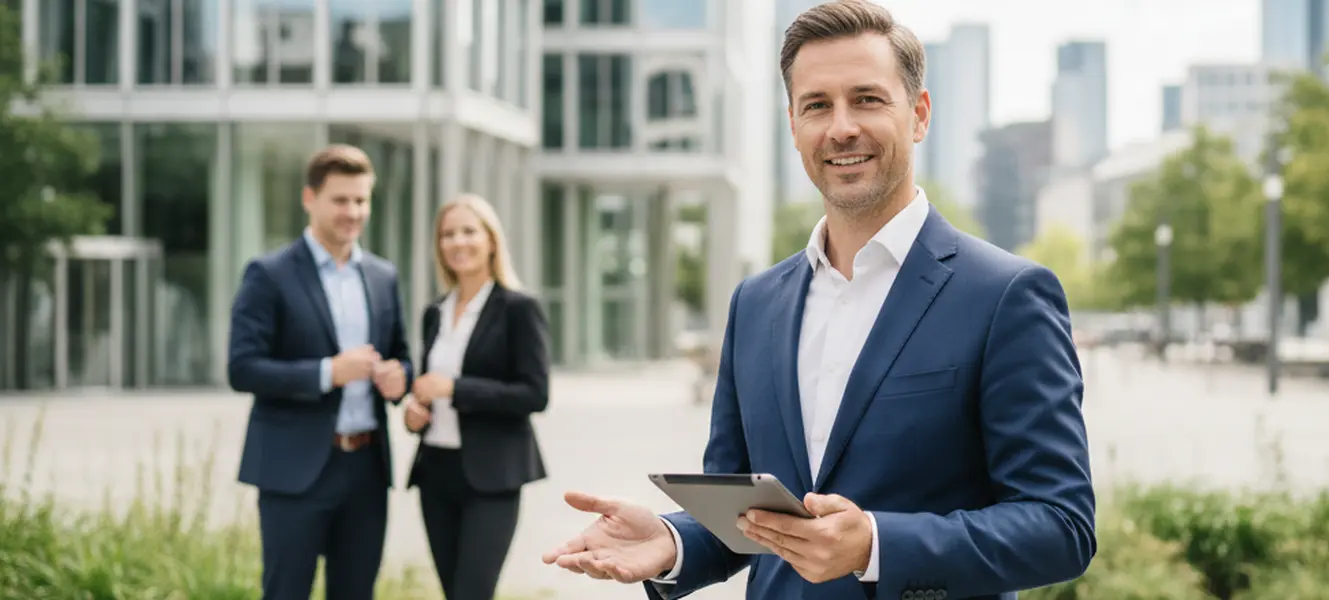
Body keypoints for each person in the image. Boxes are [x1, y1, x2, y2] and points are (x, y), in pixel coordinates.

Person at [540, 1, 1097, 599]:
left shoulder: (1006, 296)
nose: (841, 127)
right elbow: (748, 516)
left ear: (919, 114)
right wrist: (674, 542)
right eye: (817, 106)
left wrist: (876, 545)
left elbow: (1061, 526)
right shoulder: (754, 304)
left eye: (866, 98)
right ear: (794, 125)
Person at [226, 144, 413, 600]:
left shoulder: (383, 277)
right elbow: (242, 368)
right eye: (341, 200)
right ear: (309, 199)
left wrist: (399, 378)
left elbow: (402, 356)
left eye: (361, 200)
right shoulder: (268, 274)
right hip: (294, 470)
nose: (353, 212)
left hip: (367, 470)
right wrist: (329, 372)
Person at [403, 195, 551, 600]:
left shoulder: (518, 308)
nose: (458, 241)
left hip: (492, 476)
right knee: (453, 592)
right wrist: (415, 414)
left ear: (490, 240)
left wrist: (454, 388)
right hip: (436, 472)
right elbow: (425, 391)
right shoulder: (434, 312)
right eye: (448, 234)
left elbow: (535, 394)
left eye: (469, 231)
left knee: (472, 593)